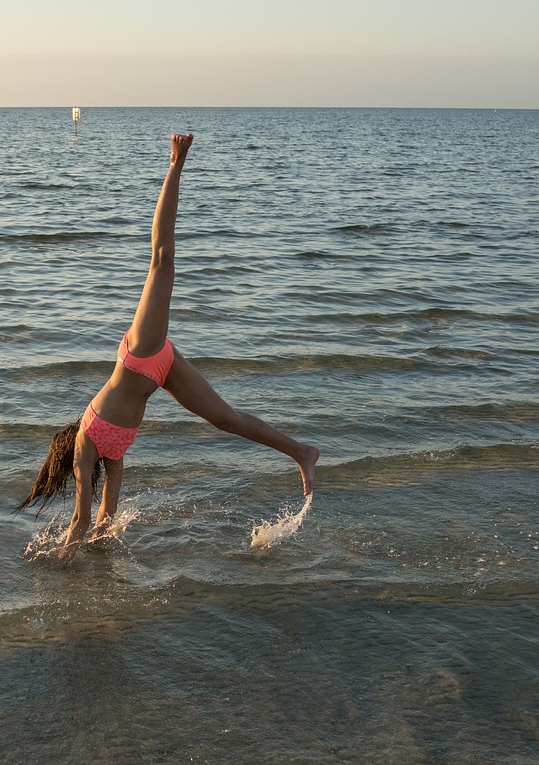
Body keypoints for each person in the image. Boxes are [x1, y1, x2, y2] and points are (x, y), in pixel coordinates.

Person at [19, 134, 320, 563]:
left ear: (68, 455)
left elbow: (80, 520)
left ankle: (175, 162)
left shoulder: (87, 445)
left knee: (162, 258)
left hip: (141, 354)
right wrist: (99, 560)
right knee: (225, 419)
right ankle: (301, 452)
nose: (74, 476)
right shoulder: (113, 452)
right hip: (159, 369)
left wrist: (60, 569)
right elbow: (105, 516)